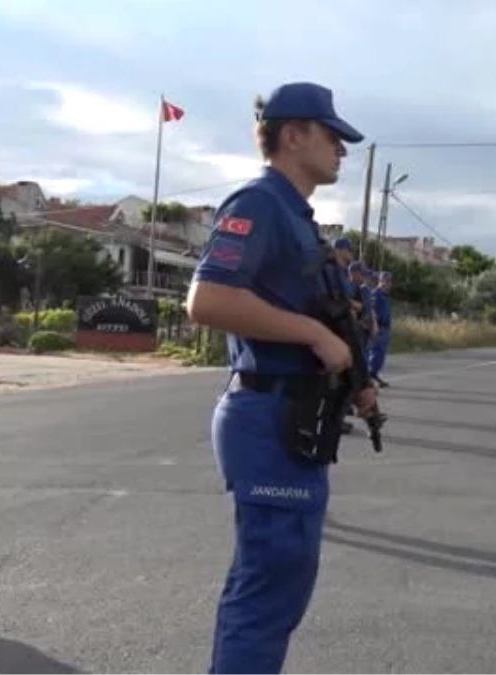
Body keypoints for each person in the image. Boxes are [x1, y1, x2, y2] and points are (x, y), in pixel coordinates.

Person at [185, 81, 376, 674]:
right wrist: (315, 336)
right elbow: (208, 300)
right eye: (333, 136)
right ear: (292, 135)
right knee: (269, 585)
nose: (343, 149)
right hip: (266, 417)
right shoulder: (259, 204)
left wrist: (356, 379)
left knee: (281, 581)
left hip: (296, 418)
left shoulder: (297, 215)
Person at [369, 270, 393, 386]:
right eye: (386, 281)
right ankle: (369, 376)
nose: (388, 283)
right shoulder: (375, 294)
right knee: (375, 354)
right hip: (378, 327)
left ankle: (374, 375)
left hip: (385, 328)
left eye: (389, 281)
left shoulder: (384, 295)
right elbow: (372, 310)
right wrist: (374, 326)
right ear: (380, 281)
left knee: (381, 355)